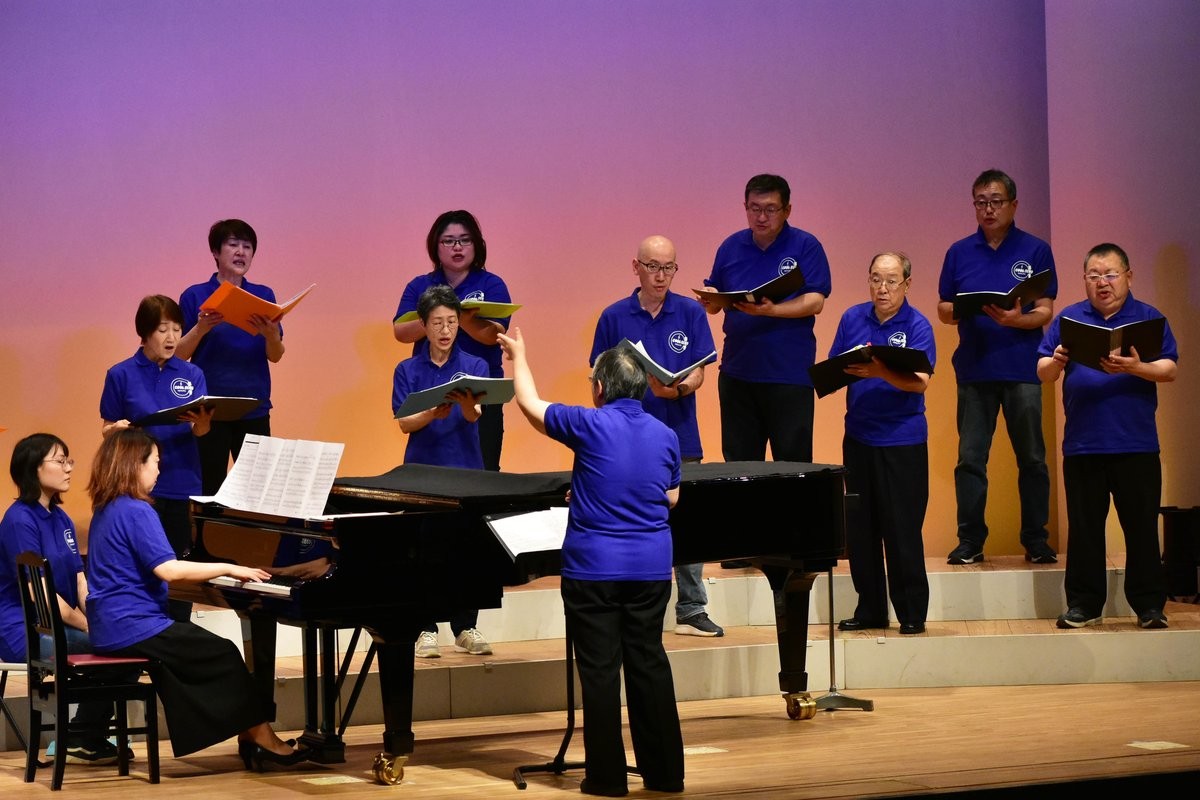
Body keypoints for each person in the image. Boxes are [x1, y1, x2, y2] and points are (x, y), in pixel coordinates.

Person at [498, 327, 684, 797]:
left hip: (595, 570)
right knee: (648, 664)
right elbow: (671, 497)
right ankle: (665, 775)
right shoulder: (666, 435)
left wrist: (519, 355)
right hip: (650, 570)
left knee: (600, 672)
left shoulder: (589, 423)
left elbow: (530, 405)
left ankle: (607, 778)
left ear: (600, 388)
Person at [84, 428, 308, 768]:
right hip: (133, 625)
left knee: (208, 651)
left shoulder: (106, 508)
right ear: (134, 465)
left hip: (109, 625)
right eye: (154, 462)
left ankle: (251, 734)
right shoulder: (137, 511)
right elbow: (169, 571)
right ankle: (262, 738)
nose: (159, 470)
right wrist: (230, 568)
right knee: (222, 652)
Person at [1036, 243, 1177, 630]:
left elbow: (1169, 369)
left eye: (1111, 274)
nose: (1103, 283)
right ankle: (1084, 605)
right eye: (1094, 275)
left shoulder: (1148, 318)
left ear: (1128, 276)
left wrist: (1136, 367)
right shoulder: (1069, 318)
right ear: (1085, 279)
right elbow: (1043, 371)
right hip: (1083, 444)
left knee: (1141, 528)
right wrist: (1056, 361)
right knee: (1084, 530)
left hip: (1136, 443)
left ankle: (1149, 606)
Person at [590, 235, 722, 638]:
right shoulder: (614, 315)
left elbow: (699, 369)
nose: (661, 276)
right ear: (636, 267)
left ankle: (692, 608)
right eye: (652, 267)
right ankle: (626, 608)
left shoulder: (690, 312)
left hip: (679, 432)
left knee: (688, 521)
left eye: (669, 268)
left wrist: (678, 389)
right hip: (625, 441)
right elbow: (598, 376)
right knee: (627, 520)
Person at [937, 169, 1058, 566]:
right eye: (981, 202)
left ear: (1013, 204)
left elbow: (1045, 309)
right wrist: (961, 310)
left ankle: (1036, 540)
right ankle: (970, 541)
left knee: (1033, 459)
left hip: (1023, 367)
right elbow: (943, 307)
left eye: (996, 201)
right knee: (971, 459)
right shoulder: (959, 252)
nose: (988, 209)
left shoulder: (1035, 249)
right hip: (975, 368)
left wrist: (1016, 320)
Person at [0, 433, 126, 765]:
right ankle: (83, 734)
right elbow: (39, 595)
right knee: (119, 645)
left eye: (69, 460)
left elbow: (80, 580)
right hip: (24, 631)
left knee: (126, 641)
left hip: (59, 626)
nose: (69, 468)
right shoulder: (19, 520)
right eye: (60, 461)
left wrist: (98, 618)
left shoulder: (61, 518)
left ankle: (84, 735)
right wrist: (88, 627)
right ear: (33, 468)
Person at [828, 253, 935, 636]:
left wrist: (880, 371)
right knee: (861, 528)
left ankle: (911, 612)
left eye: (891, 280)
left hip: (902, 441)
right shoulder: (852, 318)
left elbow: (920, 382)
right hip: (858, 437)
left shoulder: (918, 325)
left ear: (907, 284)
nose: (882, 288)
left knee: (902, 528)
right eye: (875, 279)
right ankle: (870, 609)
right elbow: (837, 365)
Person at [696, 173, 832, 467]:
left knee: (793, 467)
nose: (761, 217)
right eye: (754, 208)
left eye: (770, 209)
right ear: (745, 207)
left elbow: (816, 301)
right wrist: (711, 298)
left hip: (788, 374)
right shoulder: (730, 246)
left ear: (787, 210)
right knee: (740, 468)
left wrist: (772, 310)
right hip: (738, 373)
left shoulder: (806, 245)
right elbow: (716, 304)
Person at [393, 285, 492, 658]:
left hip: (466, 470)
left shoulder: (475, 366)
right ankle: (425, 628)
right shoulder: (407, 369)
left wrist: (465, 406)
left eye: (451, 321)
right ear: (423, 325)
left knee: (466, 551)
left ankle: (466, 627)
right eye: (437, 322)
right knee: (423, 551)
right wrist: (431, 413)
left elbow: (475, 415)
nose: (446, 330)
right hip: (421, 474)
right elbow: (404, 423)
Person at [100, 294, 213, 622]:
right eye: (163, 330)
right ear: (145, 332)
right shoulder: (120, 374)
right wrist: (114, 430)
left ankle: (178, 634)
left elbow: (201, 432)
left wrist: (203, 424)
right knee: (141, 568)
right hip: (138, 488)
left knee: (178, 569)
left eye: (177, 329)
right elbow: (107, 427)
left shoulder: (192, 374)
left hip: (182, 482)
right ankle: (142, 632)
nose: (171, 337)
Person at [393, 210, 512, 471]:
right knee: (428, 467)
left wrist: (462, 318)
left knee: (485, 470)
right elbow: (400, 331)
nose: (457, 247)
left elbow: (494, 334)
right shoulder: (420, 285)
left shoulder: (491, 284)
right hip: (430, 385)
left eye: (465, 240)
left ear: (476, 244)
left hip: (480, 388)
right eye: (448, 241)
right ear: (435, 246)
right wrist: (437, 314)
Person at [178, 219, 286, 495]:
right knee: (208, 489)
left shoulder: (263, 295)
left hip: (254, 407)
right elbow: (179, 354)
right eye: (233, 245)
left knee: (258, 492)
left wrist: (272, 335)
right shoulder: (194, 295)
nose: (241, 252)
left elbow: (275, 356)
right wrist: (201, 328)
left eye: (247, 247)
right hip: (209, 410)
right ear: (215, 252)